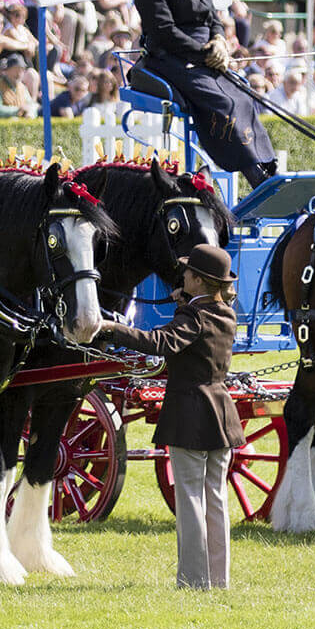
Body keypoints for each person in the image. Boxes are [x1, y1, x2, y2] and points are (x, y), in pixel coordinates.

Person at [98, 244, 245, 589]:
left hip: (190, 416)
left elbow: (160, 342)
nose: (182, 277)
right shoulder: (225, 314)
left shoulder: (194, 317)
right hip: (222, 415)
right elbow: (193, 336)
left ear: (199, 280)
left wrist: (112, 328)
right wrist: (184, 304)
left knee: (190, 499)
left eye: (187, 273)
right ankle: (217, 579)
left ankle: (193, 580)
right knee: (215, 500)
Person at [133, 0, 277, 186]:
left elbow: (214, 19)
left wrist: (219, 41)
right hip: (171, 57)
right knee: (222, 103)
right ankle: (255, 174)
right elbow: (163, 31)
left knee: (242, 97)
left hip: (208, 55)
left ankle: (268, 165)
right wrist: (205, 54)